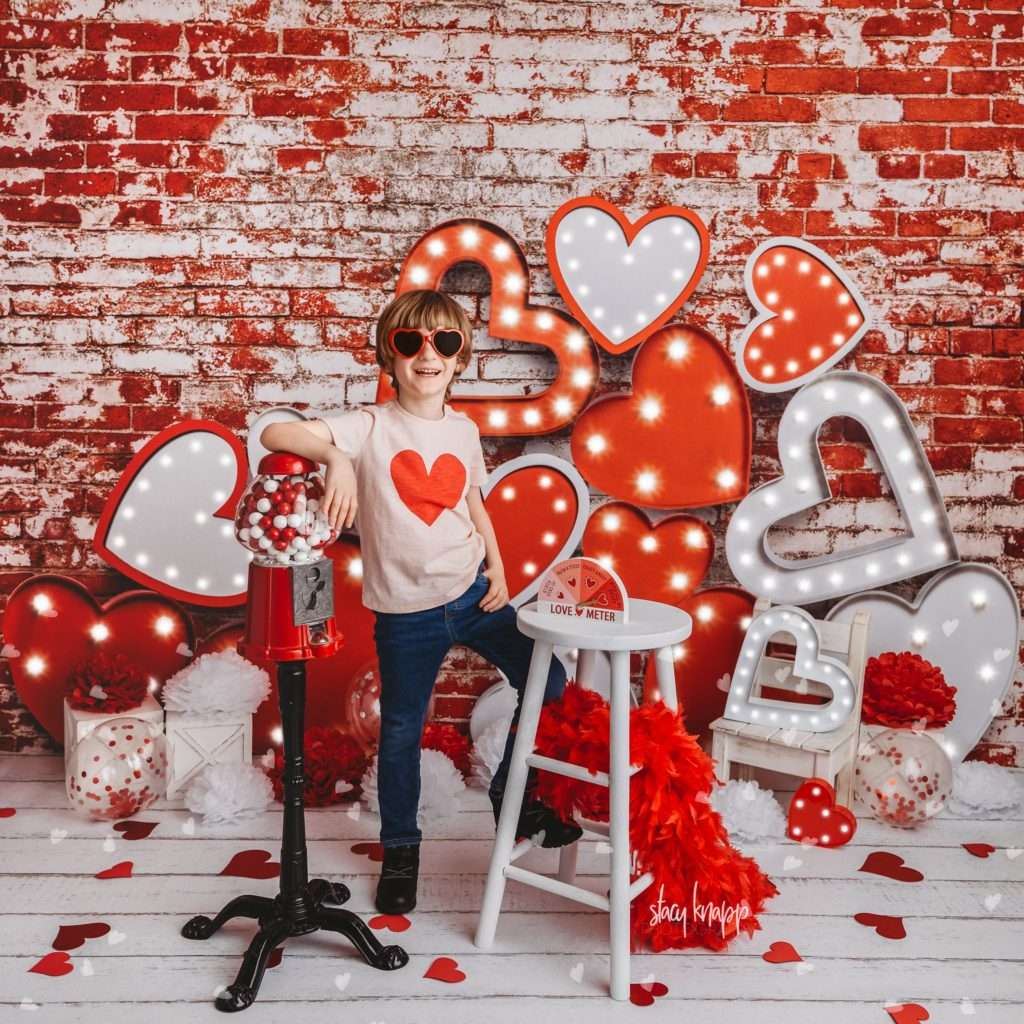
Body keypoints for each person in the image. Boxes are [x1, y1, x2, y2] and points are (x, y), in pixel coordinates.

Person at [260, 288, 581, 915]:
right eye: (411, 342)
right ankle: (402, 850)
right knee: (403, 732)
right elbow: (274, 430)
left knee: (551, 679)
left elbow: (473, 502)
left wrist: (498, 566)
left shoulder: (462, 428)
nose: (427, 355)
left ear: (459, 357)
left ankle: (516, 796)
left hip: (471, 593)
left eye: (444, 342)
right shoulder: (370, 425)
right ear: (390, 354)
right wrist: (334, 457)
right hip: (405, 614)